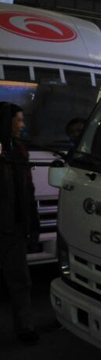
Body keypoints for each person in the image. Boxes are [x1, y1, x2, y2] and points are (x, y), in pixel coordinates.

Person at [0, 102, 40, 345]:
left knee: (20, 281)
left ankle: (25, 328)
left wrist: (32, 225)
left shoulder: (19, 151)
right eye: (19, 120)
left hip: (13, 229)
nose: (22, 126)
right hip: (7, 226)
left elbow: (28, 193)